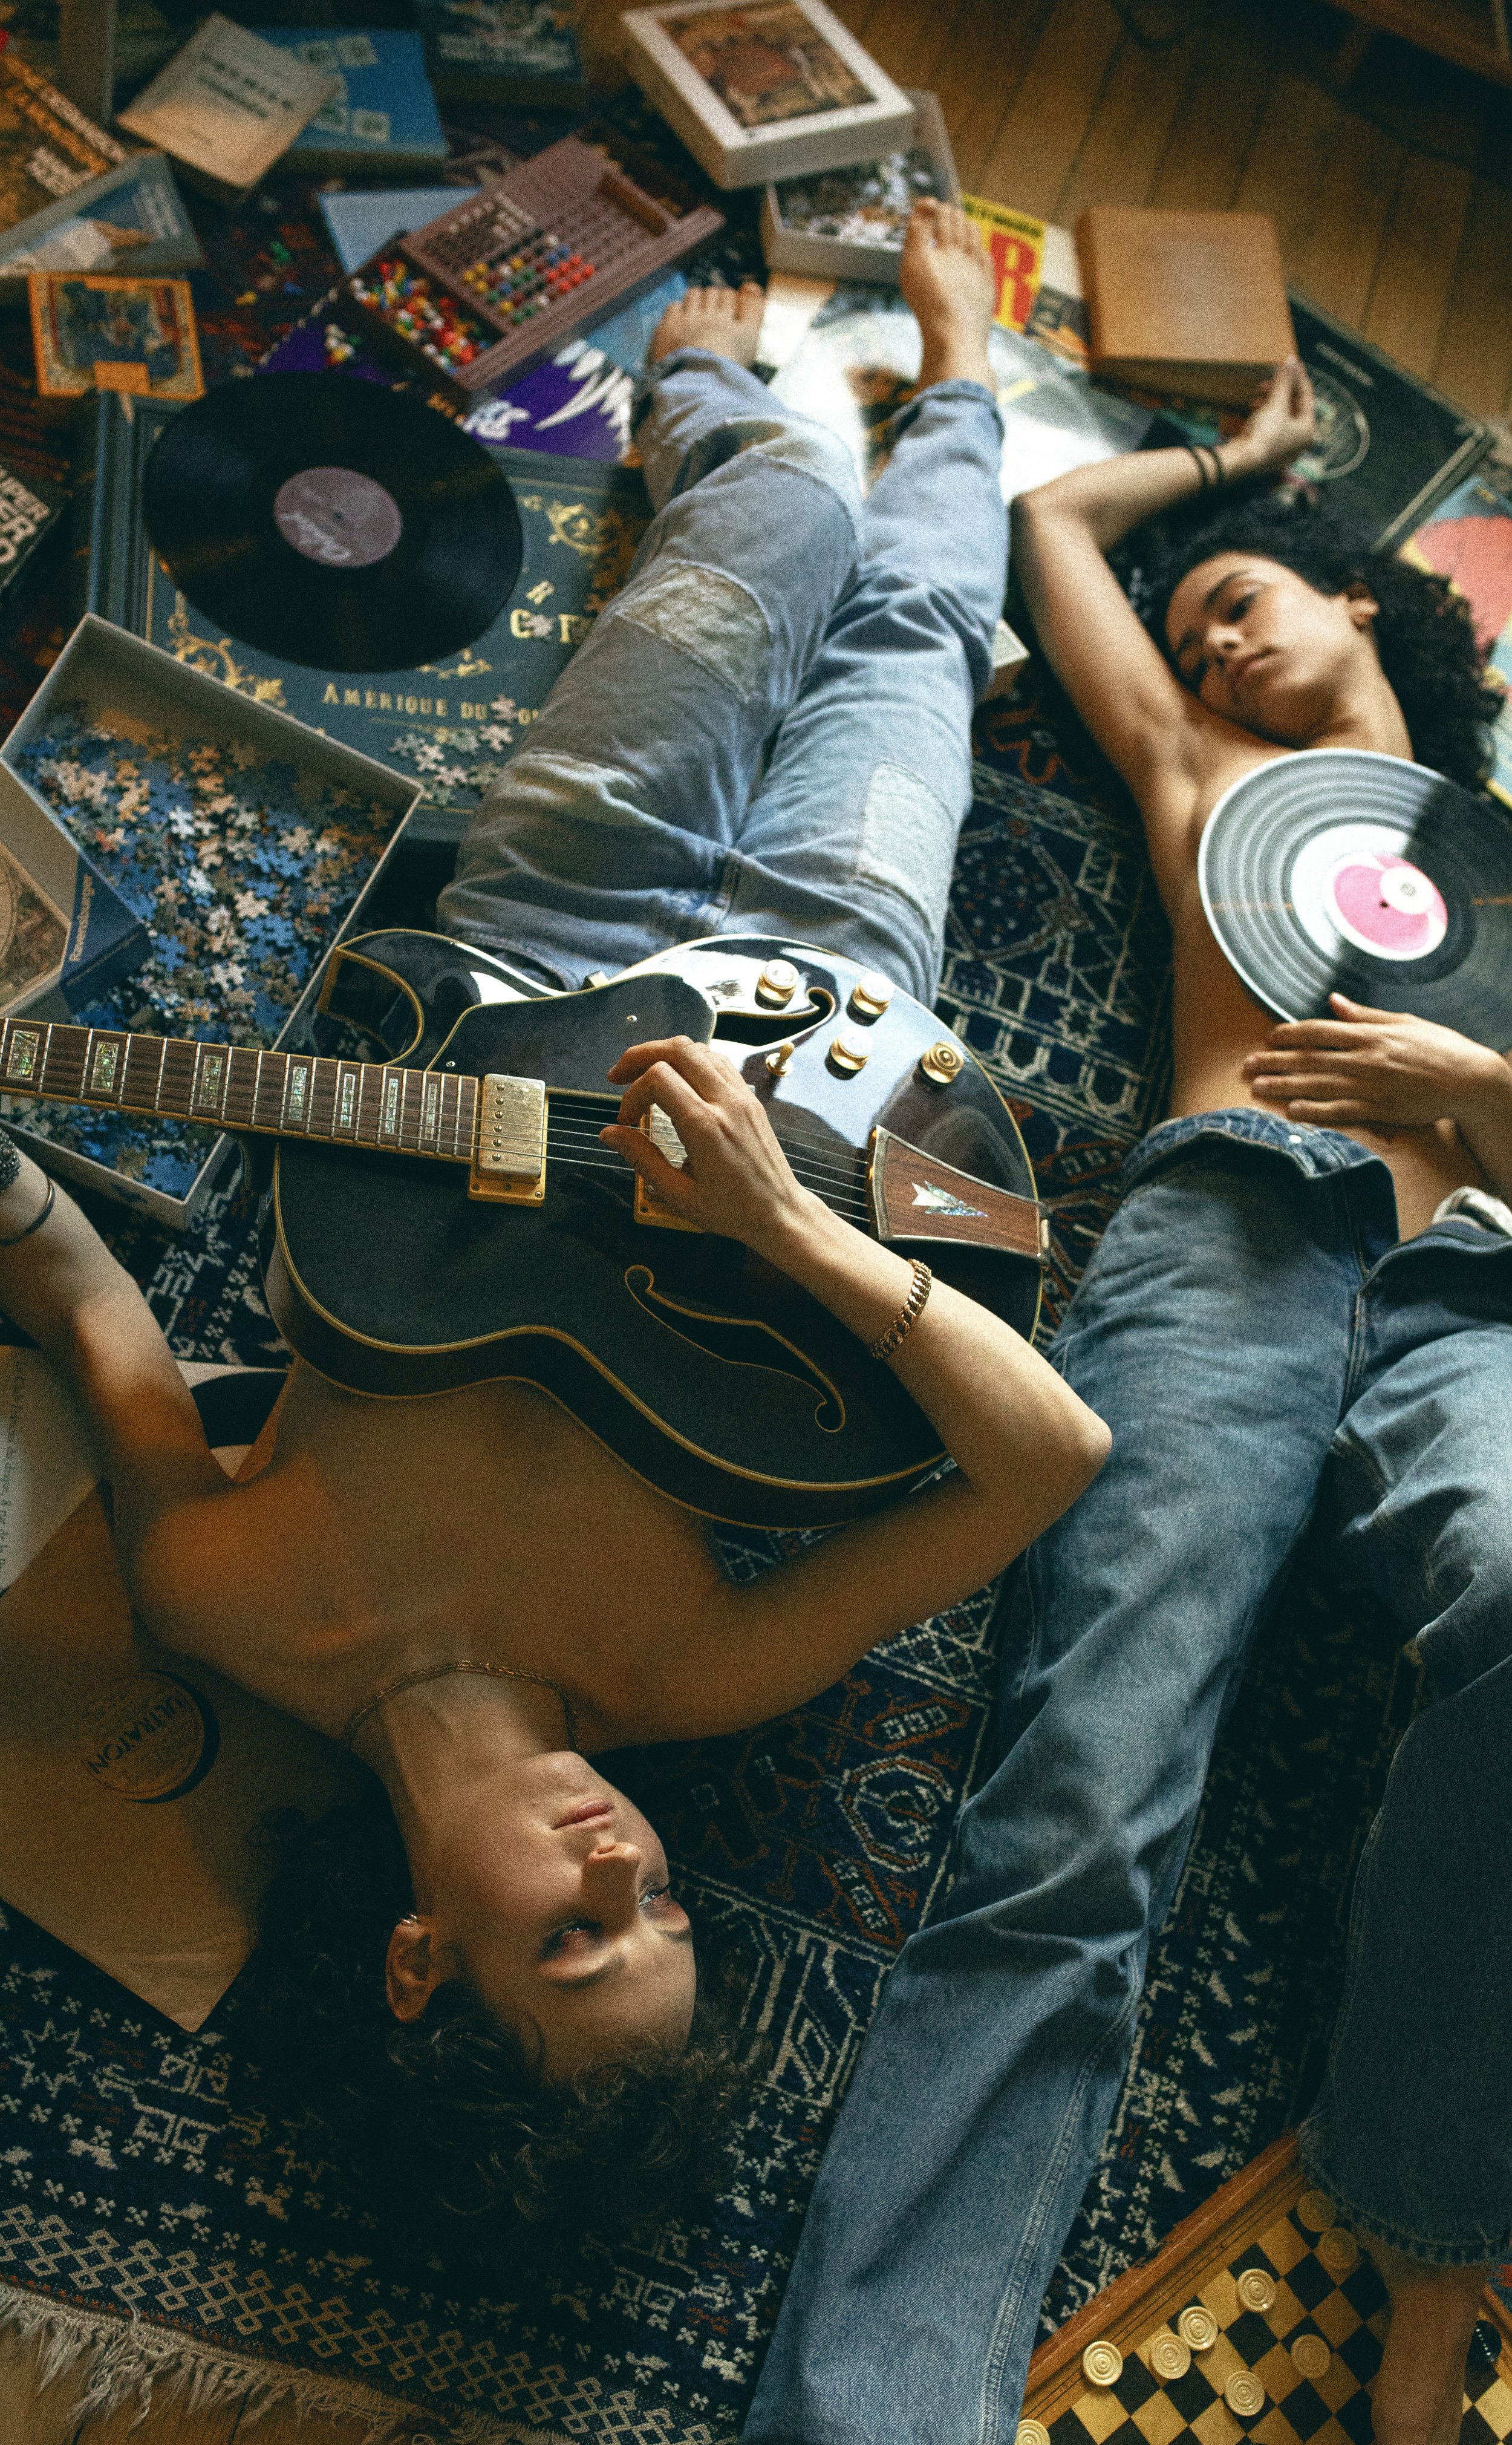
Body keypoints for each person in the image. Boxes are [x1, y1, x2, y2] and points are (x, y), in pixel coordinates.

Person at [0, 207, 1107, 2251]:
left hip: (534, 957)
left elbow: (69, 1277)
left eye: (584, 1937)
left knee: (771, 508)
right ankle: (956, 374)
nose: (631, 1862)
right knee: (910, 643)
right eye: (667, 1904)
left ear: (421, 1961)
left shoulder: (220, 1603)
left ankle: (714, 384)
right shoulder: (691, 1671)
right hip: (840, 1041)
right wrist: (787, 1230)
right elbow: (1050, 1457)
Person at [672, 362, 1512, 2445]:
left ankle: (1434, 2205)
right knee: (1072, 1807)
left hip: (1489, 1283)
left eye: (1250, 600)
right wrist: (1222, 472)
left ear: (1372, 610)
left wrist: (1479, 1085)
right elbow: (1055, 537)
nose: (1219, 638)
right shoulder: (1196, 766)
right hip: (1234, 1242)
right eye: (1201, 624)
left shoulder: (1505, 846)